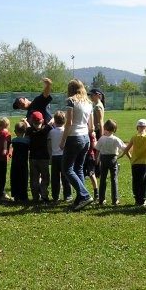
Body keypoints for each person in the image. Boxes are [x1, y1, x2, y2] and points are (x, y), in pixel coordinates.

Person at [59, 79, 94, 211]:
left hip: (74, 137)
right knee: (78, 168)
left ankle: (84, 195)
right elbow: (91, 126)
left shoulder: (71, 101)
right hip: (85, 138)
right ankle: (81, 198)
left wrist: (63, 140)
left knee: (67, 169)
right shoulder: (88, 103)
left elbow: (69, 123)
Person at [123, 119, 146, 206]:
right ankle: (143, 200)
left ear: (137, 128)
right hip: (145, 163)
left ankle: (137, 198)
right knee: (144, 181)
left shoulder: (134, 138)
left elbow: (126, 150)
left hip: (135, 163)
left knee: (136, 180)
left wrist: (131, 158)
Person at [95, 119, 129, 206]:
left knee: (103, 179)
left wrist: (96, 160)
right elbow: (125, 148)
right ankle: (115, 200)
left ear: (105, 127)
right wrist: (128, 157)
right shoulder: (116, 139)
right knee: (114, 179)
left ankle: (101, 200)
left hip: (103, 159)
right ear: (114, 129)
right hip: (113, 159)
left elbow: (97, 150)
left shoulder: (102, 139)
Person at [27, 111, 52, 202]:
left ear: (31, 121)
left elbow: (28, 127)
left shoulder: (29, 131)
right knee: (45, 177)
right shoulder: (45, 130)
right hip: (44, 158)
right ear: (42, 120)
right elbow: (51, 123)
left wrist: (26, 122)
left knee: (34, 179)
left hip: (33, 158)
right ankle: (44, 194)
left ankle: (35, 196)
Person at [47, 111, 72, 202]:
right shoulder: (66, 131)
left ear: (55, 121)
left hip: (54, 156)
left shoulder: (51, 132)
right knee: (65, 176)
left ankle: (55, 196)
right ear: (65, 121)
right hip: (64, 156)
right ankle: (68, 195)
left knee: (55, 178)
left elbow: (48, 142)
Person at [0, 117, 12, 202]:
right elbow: (5, 142)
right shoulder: (7, 134)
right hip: (2, 159)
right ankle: (0, 195)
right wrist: (5, 150)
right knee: (2, 178)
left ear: (0, 126)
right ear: (7, 126)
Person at [10, 121, 30, 203]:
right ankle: (23, 196)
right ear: (25, 131)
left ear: (15, 131)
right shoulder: (27, 141)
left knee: (15, 178)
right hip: (23, 163)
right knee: (23, 179)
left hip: (15, 163)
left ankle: (16, 195)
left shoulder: (14, 141)